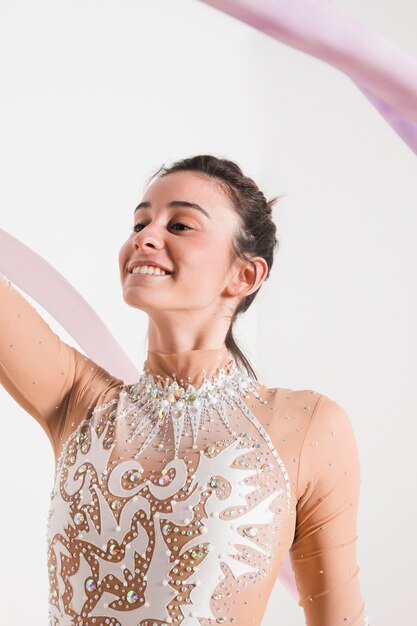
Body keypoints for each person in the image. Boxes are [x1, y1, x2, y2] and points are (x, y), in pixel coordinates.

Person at [0, 154, 368, 626]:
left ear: (245, 275)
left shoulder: (307, 426)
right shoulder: (80, 403)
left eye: (180, 225)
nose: (144, 237)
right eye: (140, 222)